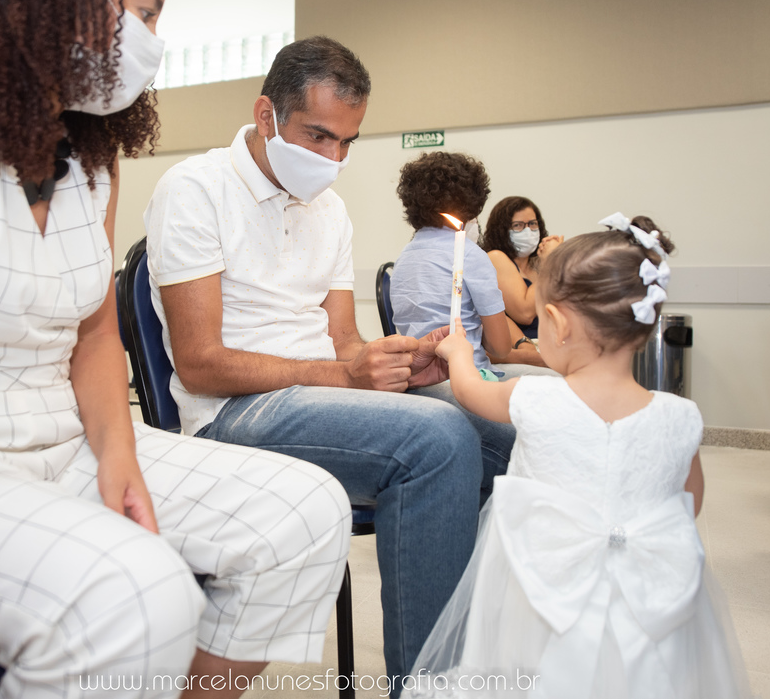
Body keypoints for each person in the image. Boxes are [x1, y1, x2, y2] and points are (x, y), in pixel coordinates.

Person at [0, 0, 351, 698]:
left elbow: (93, 336)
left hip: (68, 439)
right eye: (145, 12)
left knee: (308, 513)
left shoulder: (90, 155)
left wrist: (120, 454)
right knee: (140, 598)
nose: (152, 39)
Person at [143, 36, 516, 695]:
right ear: (266, 115)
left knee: (507, 432)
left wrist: (392, 363)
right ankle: (427, 687)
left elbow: (343, 341)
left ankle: (474, 659)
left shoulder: (331, 210)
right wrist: (345, 375)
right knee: (437, 439)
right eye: (318, 136)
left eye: (347, 142)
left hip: (319, 395)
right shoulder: (195, 189)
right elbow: (201, 364)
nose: (333, 159)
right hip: (232, 411)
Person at [406, 213, 750, 699]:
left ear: (559, 323)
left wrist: (459, 353)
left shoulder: (533, 397)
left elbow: (467, 391)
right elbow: (687, 503)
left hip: (544, 596)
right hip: (649, 608)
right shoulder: (681, 416)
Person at [390, 152, 552, 379]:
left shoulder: (403, 259)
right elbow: (500, 348)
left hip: (416, 376)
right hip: (469, 375)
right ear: (473, 201)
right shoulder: (470, 255)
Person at [482, 196, 563, 339]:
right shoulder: (496, 257)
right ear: (501, 230)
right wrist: (550, 261)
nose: (528, 231)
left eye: (532, 224)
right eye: (518, 225)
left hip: (553, 341)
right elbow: (525, 314)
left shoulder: (538, 263)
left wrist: (561, 257)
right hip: (523, 345)